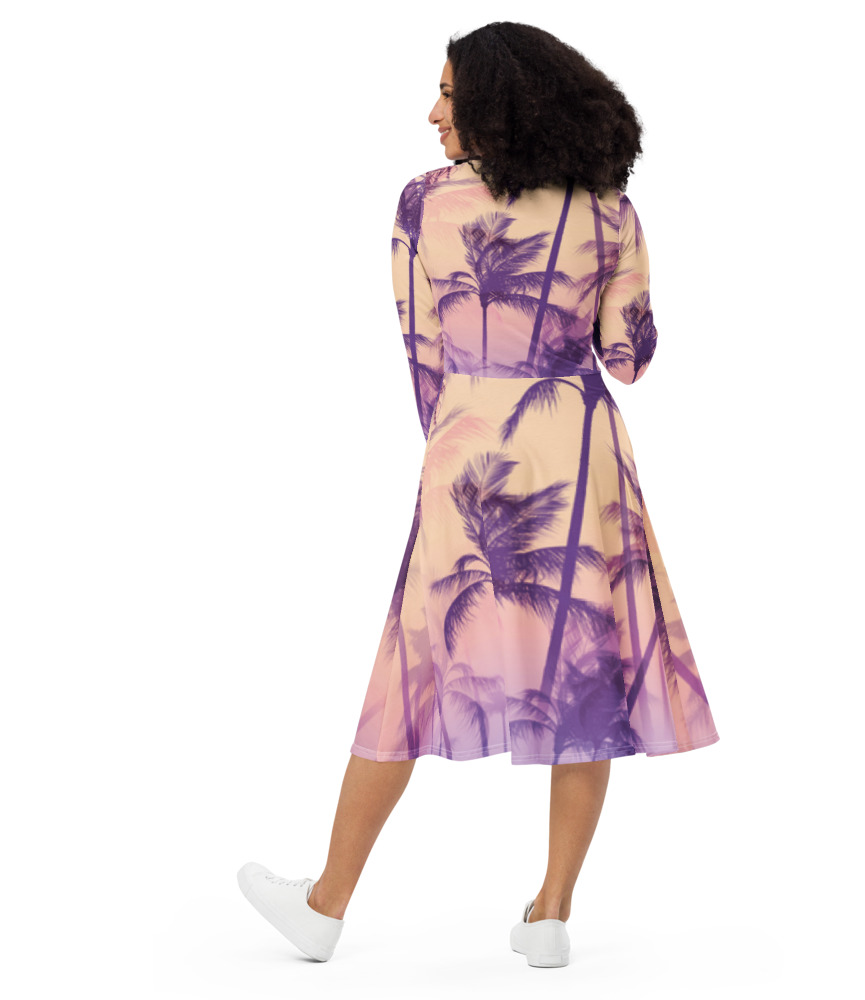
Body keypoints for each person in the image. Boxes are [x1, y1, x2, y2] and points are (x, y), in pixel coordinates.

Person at [237, 20, 720, 968]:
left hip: (466, 449)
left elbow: (422, 351)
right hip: (578, 450)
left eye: (449, 95)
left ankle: (326, 904)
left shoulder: (424, 204)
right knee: (584, 671)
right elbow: (628, 358)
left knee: (409, 668)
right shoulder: (609, 210)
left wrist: (455, 442)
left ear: (498, 103)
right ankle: (550, 916)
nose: (432, 113)